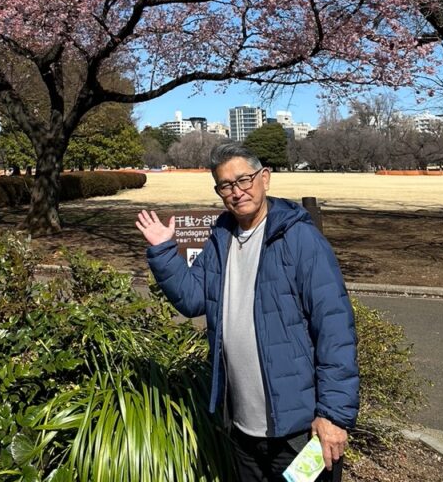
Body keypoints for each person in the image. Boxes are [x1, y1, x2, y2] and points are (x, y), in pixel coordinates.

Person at [135, 141, 358, 482]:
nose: (237, 191)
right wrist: (165, 252)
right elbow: (194, 298)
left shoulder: (299, 239)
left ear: (264, 178)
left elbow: (335, 329)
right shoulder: (221, 238)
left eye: (244, 180)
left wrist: (333, 415)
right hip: (243, 427)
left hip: (300, 431)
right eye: (226, 185)